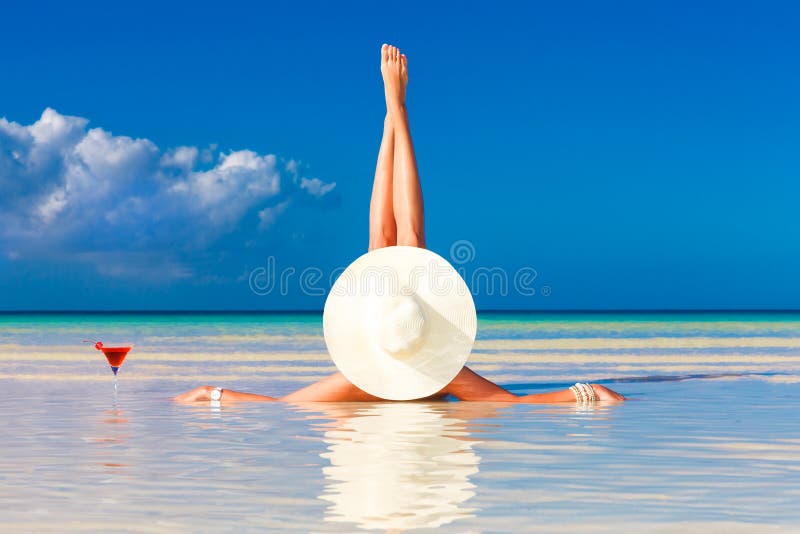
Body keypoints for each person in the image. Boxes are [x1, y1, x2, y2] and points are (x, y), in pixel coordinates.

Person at [176, 44, 625, 404]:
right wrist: (589, 393)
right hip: (417, 352)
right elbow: (519, 404)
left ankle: (394, 114)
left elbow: (278, 407)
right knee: (397, 241)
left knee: (392, 241)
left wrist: (211, 393)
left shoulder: (361, 381)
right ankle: (396, 111)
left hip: (391, 349)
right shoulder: (445, 378)